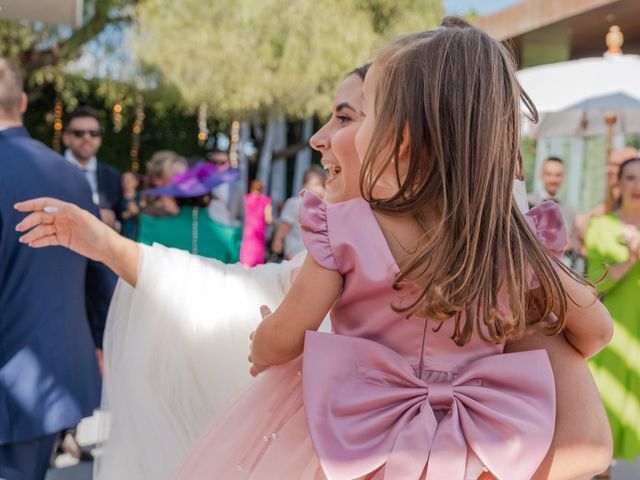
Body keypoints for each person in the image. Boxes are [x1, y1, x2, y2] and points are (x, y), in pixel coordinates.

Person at [15, 59, 612, 479]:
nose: (322, 138)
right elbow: (226, 292)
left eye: (349, 117)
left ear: (405, 139)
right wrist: (106, 244)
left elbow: (584, 448)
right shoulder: (508, 255)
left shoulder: (355, 237)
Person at [174, 21, 612, 479]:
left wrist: (262, 345)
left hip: (356, 438)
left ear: (398, 138)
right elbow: (596, 332)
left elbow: (286, 334)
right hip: (476, 445)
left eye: (367, 113)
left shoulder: (342, 228)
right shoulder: (514, 243)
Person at [0, 58, 112, 479]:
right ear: (23, 102)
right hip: (53, 373)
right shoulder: (70, 176)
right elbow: (99, 271)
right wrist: (102, 340)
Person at [586, 156, 640, 470]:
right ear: (618, 185)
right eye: (630, 178)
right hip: (614, 340)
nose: (637, 185)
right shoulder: (601, 227)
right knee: (605, 428)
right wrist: (631, 259)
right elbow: (593, 284)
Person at [63, 106, 123, 229]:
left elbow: (123, 221)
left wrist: (114, 223)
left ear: (100, 138)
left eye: (94, 133)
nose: (87, 138)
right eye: (79, 133)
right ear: (66, 138)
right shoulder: (48, 172)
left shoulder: (114, 177)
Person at [528, 157, 578, 267]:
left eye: (558, 175)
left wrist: (569, 245)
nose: (553, 179)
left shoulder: (570, 210)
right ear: (541, 175)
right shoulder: (527, 203)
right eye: (549, 174)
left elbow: (575, 248)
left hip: (560, 270)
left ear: (563, 178)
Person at [271, 166, 326, 260]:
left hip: (314, 256)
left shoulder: (323, 207)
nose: (320, 189)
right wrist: (278, 239)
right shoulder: (295, 203)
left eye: (323, 186)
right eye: (316, 184)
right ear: (304, 186)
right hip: (295, 253)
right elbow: (285, 224)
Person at [240, 179, 272, 266]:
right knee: (256, 264)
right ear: (261, 189)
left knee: (245, 261)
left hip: (248, 231)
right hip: (259, 232)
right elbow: (268, 219)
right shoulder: (266, 200)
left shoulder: (245, 198)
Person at [120, 172, 141, 240]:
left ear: (136, 182)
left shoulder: (142, 197)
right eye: (124, 180)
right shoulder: (119, 198)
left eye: (129, 179)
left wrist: (136, 211)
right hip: (124, 232)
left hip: (139, 231)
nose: (127, 182)